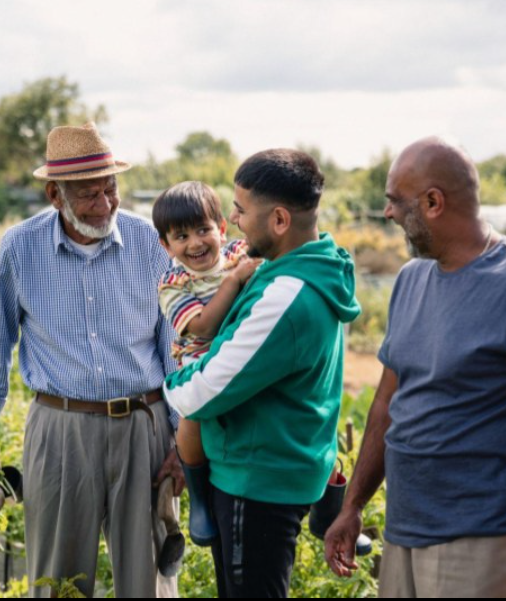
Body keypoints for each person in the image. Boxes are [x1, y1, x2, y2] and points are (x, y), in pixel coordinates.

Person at [324, 137, 506, 599]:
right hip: (406, 530)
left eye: (394, 202)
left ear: (433, 202)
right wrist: (353, 504)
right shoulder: (411, 279)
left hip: (485, 537)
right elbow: (388, 400)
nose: (387, 214)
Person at [0, 123, 184, 598]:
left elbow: (176, 350)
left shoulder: (150, 243)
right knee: (56, 580)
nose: (105, 205)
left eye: (111, 190)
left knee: (149, 579)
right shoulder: (20, 248)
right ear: (54, 195)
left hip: (143, 427)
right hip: (60, 430)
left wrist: (182, 438)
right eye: (89, 195)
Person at [163, 149, 362, 597]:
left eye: (239, 210)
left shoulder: (284, 297)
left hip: (256, 484)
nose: (232, 220)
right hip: (280, 467)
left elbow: (198, 393)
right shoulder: (312, 269)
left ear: (277, 220)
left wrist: (176, 378)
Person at [152, 181, 261, 547]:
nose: (196, 243)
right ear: (166, 246)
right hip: (200, 356)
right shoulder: (172, 282)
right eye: (181, 236)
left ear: (222, 228)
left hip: (247, 349)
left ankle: (326, 487)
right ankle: (198, 496)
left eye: (203, 230)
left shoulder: (240, 254)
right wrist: (233, 282)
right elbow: (201, 326)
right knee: (192, 414)